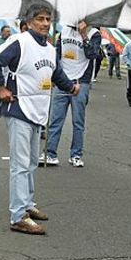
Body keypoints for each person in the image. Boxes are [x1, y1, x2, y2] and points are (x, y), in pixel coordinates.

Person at [0, 4, 80, 235]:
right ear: (29, 22)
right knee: (20, 165)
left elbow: (56, 73)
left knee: (30, 162)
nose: (45, 23)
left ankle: (27, 204)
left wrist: (71, 87)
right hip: (19, 108)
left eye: (48, 19)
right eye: (39, 19)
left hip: (38, 111)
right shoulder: (19, 42)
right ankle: (18, 216)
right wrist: (1, 87)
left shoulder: (50, 49)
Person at [43, 20, 101, 168]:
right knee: (55, 120)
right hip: (63, 81)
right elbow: (57, 55)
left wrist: (83, 34)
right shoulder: (64, 32)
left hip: (81, 81)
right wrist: (54, 76)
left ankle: (76, 155)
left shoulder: (94, 33)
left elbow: (92, 54)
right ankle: (50, 153)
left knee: (78, 122)